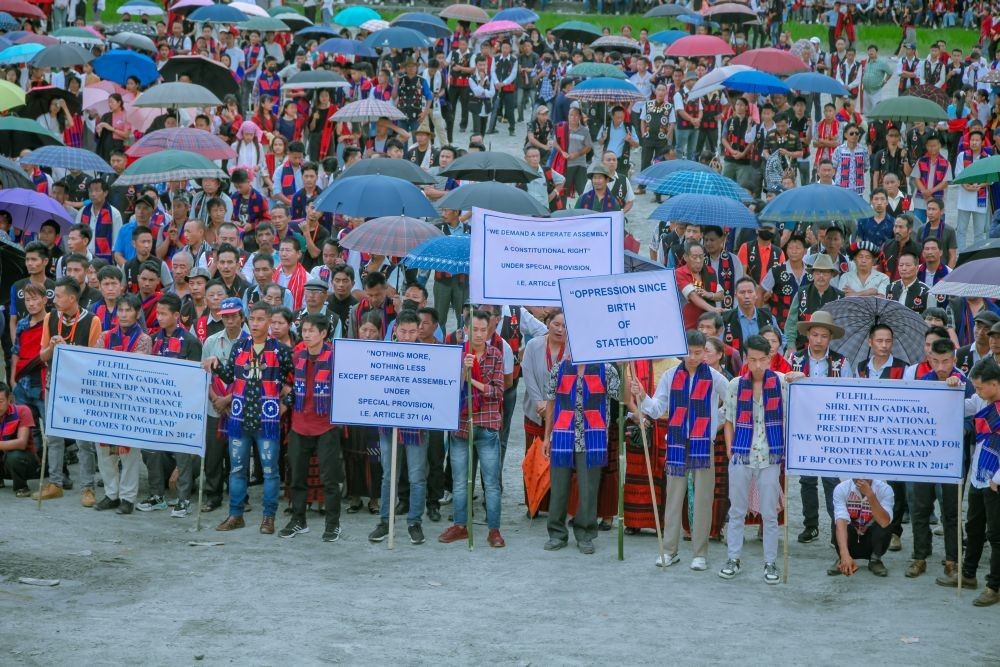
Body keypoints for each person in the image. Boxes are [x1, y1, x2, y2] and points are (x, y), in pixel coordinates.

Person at [633, 329, 730, 570]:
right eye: (689, 352)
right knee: (674, 498)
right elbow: (656, 409)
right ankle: (669, 550)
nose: (693, 357)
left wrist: (713, 423)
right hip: (676, 442)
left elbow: (733, 402)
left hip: (702, 444)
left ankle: (700, 553)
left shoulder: (715, 377)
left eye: (699, 353)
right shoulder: (669, 375)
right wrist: (643, 395)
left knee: (703, 499)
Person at [203, 303, 295, 535]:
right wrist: (215, 363)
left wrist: (283, 407)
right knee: (237, 469)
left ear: (269, 322)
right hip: (239, 418)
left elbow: (294, 385)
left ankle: (268, 517)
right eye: (252, 319)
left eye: (260, 319)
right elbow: (229, 376)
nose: (255, 324)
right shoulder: (239, 347)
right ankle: (236, 515)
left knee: (270, 471)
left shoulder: (281, 351)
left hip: (267, 422)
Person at [719, 335, 800, 584]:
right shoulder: (735, 384)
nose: (756, 366)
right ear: (745, 358)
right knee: (737, 510)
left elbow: (797, 408)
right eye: (751, 359)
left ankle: (770, 562)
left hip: (770, 453)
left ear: (770, 358)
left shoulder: (781, 383)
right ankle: (733, 558)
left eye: (761, 360)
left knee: (769, 513)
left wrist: (801, 378)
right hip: (742, 452)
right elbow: (729, 419)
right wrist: (731, 449)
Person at [541, 330, 620, 555]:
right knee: (559, 488)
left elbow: (621, 398)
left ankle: (585, 533)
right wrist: (547, 436)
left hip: (593, 436)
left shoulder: (607, 370)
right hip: (562, 435)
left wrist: (628, 375)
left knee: (588, 489)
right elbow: (550, 402)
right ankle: (556, 533)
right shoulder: (560, 368)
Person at [438, 310, 506, 549]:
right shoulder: (457, 353)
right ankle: (460, 525)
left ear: (489, 330)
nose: (478, 334)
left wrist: (472, 379)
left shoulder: (496, 354)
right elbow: (448, 388)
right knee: (459, 481)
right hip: (461, 425)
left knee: (491, 482)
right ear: (465, 329)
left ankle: (494, 530)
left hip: (486, 425)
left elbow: (497, 392)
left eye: (482, 330)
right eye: (473, 329)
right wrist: (464, 370)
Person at [33, 277, 103, 504]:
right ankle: (55, 483)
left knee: (84, 440)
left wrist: (69, 350)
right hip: (55, 383)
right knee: (53, 436)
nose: (54, 300)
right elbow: (42, 356)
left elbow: (95, 360)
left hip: (82, 387)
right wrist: (53, 346)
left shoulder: (92, 321)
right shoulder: (50, 318)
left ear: (72, 298)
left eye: (59, 296)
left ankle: (87, 488)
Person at [907, 337, 972, 580]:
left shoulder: (966, 383)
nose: (942, 367)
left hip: (953, 458)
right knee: (920, 507)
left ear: (955, 360)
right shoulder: (924, 382)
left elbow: (976, 419)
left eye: (946, 361)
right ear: (929, 360)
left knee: (952, 511)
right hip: (925, 457)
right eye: (936, 361)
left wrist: (962, 429)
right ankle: (920, 556)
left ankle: (953, 560)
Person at [136, 293, 203, 516]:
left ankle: (183, 499)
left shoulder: (191, 342)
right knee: (151, 449)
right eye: (158, 313)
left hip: (182, 407)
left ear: (177, 315)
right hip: (157, 406)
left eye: (164, 314)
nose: (160, 317)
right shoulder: (154, 339)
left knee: (182, 452)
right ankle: (157, 495)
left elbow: (196, 378)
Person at [368, 311, 431, 547]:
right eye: (403, 331)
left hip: (417, 423)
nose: (407, 336)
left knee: (416, 476)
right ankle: (385, 521)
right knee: (388, 476)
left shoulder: (429, 356)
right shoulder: (383, 354)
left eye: (412, 331)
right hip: (388, 423)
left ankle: (415, 522)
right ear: (395, 330)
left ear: (419, 331)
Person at [280, 314, 343, 543]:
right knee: (297, 477)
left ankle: (333, 524)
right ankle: (299, 520)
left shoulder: (336, 357)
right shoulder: (297, 355)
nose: (306, 334)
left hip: (326, 426)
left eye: (311, 331)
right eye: (304, 330)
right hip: (299, 424)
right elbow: (288, 383)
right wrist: (286, 400)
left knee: (329, 480)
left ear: (324, 333)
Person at [791, 311, 852, 544]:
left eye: (823, 336)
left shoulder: (841, 362)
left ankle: (836, 526)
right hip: (803, 426)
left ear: (830, 338)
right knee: (806, 479)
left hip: (830, 429)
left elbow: (847, 394)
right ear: (808, 335)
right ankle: (811, 525)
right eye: (814, 334)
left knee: (830, 479)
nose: (818, 340)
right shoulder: (794, 359)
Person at [93, 294, 152, 514]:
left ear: (137, 313)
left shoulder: (144, 339)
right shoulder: (105, 336)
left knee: (129, 453)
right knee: (104, 451)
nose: (124, 314)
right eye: (121, 310)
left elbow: (135, 371)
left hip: (131, 404)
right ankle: (111, 494)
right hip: (107, 403)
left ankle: (128, 497)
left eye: (128, 310)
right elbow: (97, 364)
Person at [200, 297, 248, 515]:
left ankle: (240, 497)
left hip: (240, 407)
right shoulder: (211, 341)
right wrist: (215, 399)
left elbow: (250, 378)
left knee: (238, 454)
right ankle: (213, 495)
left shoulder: (251, 341)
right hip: (214, 407)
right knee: (213, 455)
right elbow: (203, 374)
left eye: (233, 316)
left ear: (241, 317)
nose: (229, 320)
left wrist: (227, 400)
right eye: (225, 316)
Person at [959, 359, 1000, 606]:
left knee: (996, 536)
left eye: (980, 387)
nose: (977, 392)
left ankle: (994, 585)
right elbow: (961, 407)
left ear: (994, 384)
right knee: (973, 527)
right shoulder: (982, 400)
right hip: (979, 474)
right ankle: (968, 574)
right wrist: (951, 387)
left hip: (995, 480)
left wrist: (998, 478)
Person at [828, 478, 895, 577]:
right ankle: (843, 559)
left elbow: (884, 522)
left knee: (886, 520)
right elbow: (841, 522)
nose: (862, 478)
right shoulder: (841, 488)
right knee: (838, 520)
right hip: (851, 536)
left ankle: (875, 559)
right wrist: (844, 554)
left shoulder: (885, 489)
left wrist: (870, 494)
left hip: (872, 537)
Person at [783, 254, 844, 353]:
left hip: (830, 349)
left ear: (831, 275)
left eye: (825, 273)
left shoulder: (839, 297)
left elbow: (842, 325)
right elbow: (791, 323)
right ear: (813, 274)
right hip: (800, 347)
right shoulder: (801, 293)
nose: (821, 276)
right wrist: (791, 346)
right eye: (818, 272)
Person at [720, 277, 778, 354]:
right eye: (742, 292)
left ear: (756, 295)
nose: (746, 296)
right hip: (736, 364)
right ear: (736, 296)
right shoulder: (726, 319)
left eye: (750, 292)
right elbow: (719, 345)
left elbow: (781, 341)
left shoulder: (768, 317)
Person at [0, 381, 38, 498]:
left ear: (9, 399)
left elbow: (22, 443)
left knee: (15, 456)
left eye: (0, 402)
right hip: (4, 462)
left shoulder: (22, 411)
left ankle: (21, 487)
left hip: (25, 462)